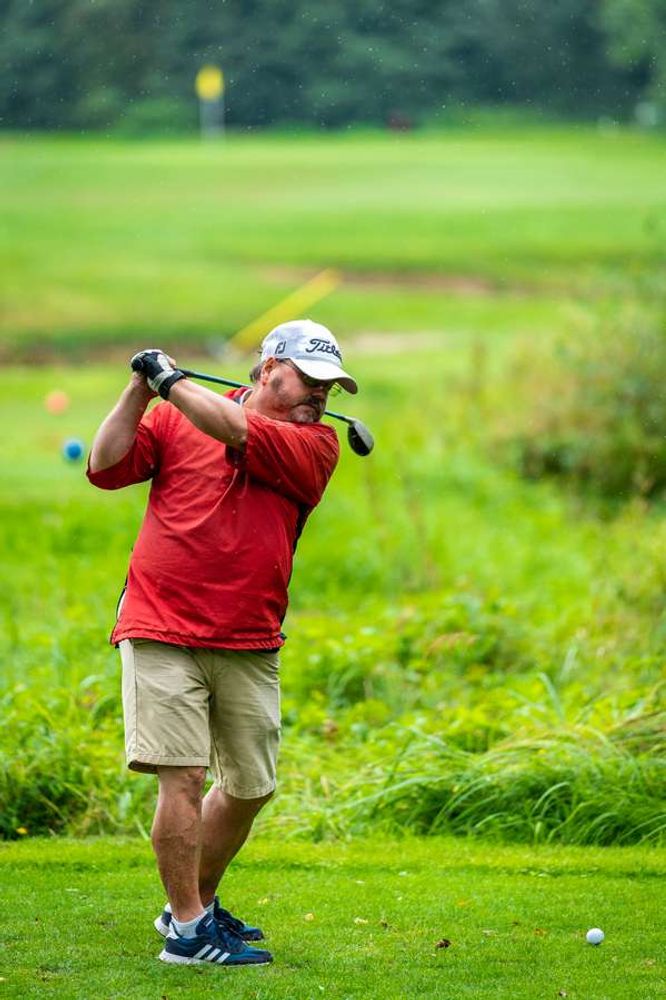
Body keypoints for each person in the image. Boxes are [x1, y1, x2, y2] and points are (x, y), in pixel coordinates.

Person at [87, 319, 358, 967]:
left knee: (250, 786)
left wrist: (169, 380)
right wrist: (140, 389)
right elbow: (105, 465)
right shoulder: (177, 414)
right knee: (183, 777)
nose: (319, 396)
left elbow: (233, 428)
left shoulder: (315, 443)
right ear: (268, 369)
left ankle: (194, 904)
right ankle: (188, 931)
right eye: (309, 381)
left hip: (249, 634)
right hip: (160, 622)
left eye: (329, 388)